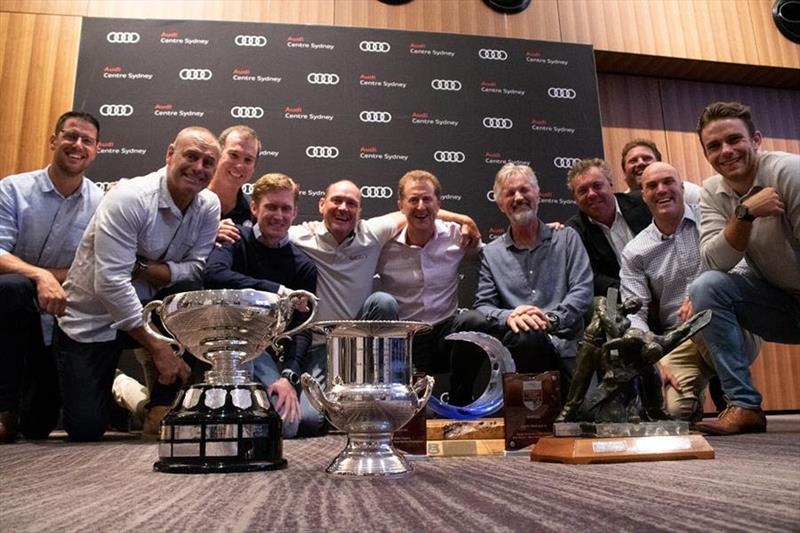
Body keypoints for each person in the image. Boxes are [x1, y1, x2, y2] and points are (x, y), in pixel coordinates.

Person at [54, 126, 221, 441]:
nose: (199, 167)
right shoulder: (129, 198)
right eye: (191, 156)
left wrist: (141, 266)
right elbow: (110, 284)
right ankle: (121, 385)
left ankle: (159, 407)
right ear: (170, 154)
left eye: (208, 162)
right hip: (94, 315)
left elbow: (195, 270)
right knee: (86, 428)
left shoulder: (209, 206)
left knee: (192, 299)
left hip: (149, 308)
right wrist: (158, 347)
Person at [690, 101, 800, 435]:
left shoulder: (789, 172)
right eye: (714, 146)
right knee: (706, 287)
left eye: (734, 140)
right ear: (706, 153)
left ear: (755, 140)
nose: (726, 151)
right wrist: (744, 213)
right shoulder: (712, 191)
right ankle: (744, 405)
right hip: (783, 303)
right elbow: (715, 261)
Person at [619, 162, 761, 422]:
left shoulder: (713, 220)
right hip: (680, 338)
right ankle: (694, 399)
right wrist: (651, 357)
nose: (661, 190)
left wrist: (704, 297)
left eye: (668, 182)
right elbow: (634, 313)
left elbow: (746, 268)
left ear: (682, 187)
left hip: (735, 326)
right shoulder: (635, 251)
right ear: (643, 195)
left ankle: (744, 405)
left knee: (705, 297)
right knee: (672, 414)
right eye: (652, 186)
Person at [0, 111, 103, 443]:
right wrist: (40, 275)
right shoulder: (12, 190)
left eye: (87, 140)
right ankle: (3, 410)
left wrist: (44, 275)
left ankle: (122, 391)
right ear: (53, 140)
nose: (78, 145)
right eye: (70, 136)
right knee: (13, 287)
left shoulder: (102, 204)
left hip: (60, 324)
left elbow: (93, 268)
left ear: (96, 149)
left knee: (37, 425)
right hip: (9, 316)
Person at [452, 163, 593, 402]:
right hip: (520, 345)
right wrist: (510, 316)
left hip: (566, 347)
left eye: (525, 190)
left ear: (538, 194)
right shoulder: (492, 253)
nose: (518, 197)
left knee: (532, 336)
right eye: (509, 193)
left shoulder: (567, 238)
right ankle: (462, 405)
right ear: (500, 203)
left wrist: (551, 319)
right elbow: (483, 305)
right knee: (521, 336)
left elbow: (582, 291)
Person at [204, 173, 321, 437]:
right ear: (255, 207)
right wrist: (278, 291)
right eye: (270, 207)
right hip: (231, 344)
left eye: (285, 208)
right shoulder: (235, 238)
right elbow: (214, 274)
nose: (278, 215)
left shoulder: (303, 266)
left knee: (300, 424)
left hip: (270, 354)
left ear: (294, 213)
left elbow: (301, 329)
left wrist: (288, 377)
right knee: (270, 424)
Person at [375, 170, 478, 374]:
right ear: (400, 205)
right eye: (413, 200)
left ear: (439, 204)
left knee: (474, 321)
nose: (421, 206)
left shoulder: (458, 236)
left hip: (444, 334)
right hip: (403, 338)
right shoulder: (382, 243)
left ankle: (461, 399)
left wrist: (545, 230)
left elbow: (494, 257)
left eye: (427, 199)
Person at [566, 158, 651, 297]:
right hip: (619, 302)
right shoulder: (574, 231)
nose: (592, 194)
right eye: (582, 191)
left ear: (611, 185)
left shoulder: (643, 203)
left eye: (597, 186)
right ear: (575, 198)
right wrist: (635, 295)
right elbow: (591, 277)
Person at [620, 138, 703, 203]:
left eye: (647, 158)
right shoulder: (622, 205)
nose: (640, 163)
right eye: (633, 161)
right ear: (624, 173)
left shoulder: (689, 192)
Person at [210, 125, 260, 232]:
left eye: (248, 160)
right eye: (233, 155)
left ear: (254, 167)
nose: (239, 165)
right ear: (217, 154)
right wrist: (209, 232)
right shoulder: (191, 199)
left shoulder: (253, 211)